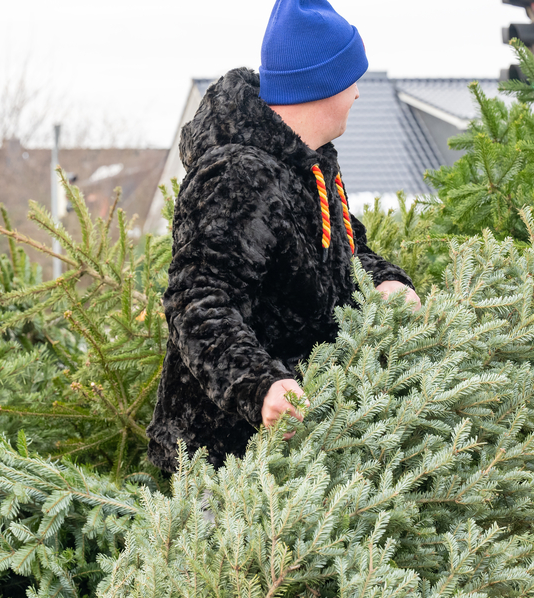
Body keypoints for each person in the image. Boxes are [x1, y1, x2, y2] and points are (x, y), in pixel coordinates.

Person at [147, 0, 421, 476]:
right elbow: (196, 303)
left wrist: (383, 282)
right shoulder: (237, 177)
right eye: (351, 78)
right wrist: (260, 387)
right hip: (221, 461)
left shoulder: (310, 161)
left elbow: (344, 249)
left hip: (300, 449)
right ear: (322, 85)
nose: (357, 94)